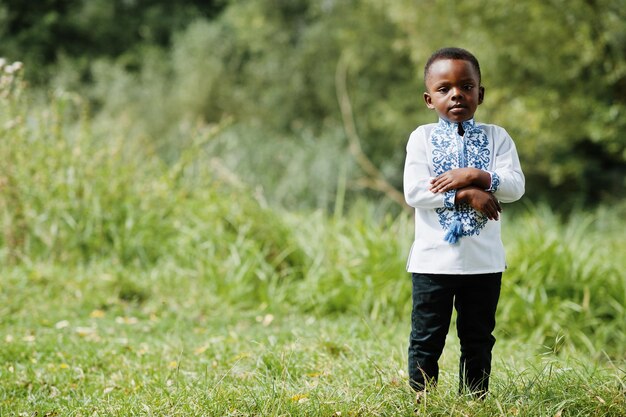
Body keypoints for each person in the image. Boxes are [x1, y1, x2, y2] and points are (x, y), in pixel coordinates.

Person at [403, 47, 525, 400]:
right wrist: (466, 194)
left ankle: (474, 401)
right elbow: (414, 192)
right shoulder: (422, 139)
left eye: (466, 86)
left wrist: (477, 175)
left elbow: (515, 185)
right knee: (427, 336)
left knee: (478, 337)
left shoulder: (497, 137)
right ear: (429, 99)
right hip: (433, 262)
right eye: (444, 89)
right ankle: (421, 401)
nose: (456, 94)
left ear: (480, 94)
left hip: (483, 263)